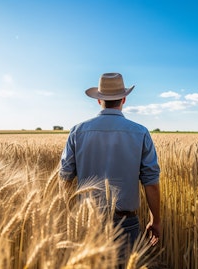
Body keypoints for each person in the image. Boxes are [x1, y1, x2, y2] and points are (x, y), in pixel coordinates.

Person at [59, 72, 161, 253]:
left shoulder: (77, 132)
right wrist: (156, 221)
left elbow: (64, 178)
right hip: (125, 224)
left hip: (88, 221)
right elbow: (151, 182)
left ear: (99, 100)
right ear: (123, 99)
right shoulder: (141, 132)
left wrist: (68, 217)